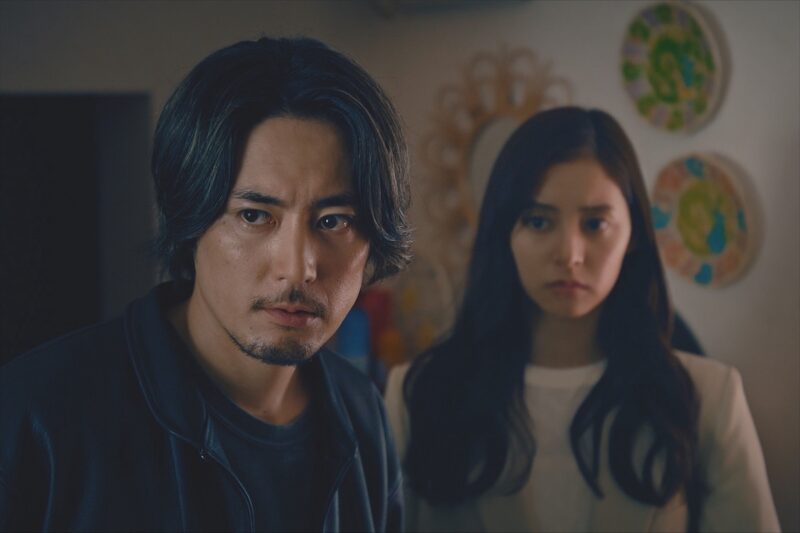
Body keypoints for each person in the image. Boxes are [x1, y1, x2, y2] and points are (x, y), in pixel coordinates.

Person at [0, 36, 411, 531]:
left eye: (333, 221)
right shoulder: (38, 417)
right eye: (254, 215)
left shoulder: (361, 414)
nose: (298, 267)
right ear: (191, 219)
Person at [384, 107, 780, 532]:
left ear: (633, 235)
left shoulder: (708, 400)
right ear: (505, 232)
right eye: (539, 221)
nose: (569, 254)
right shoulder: (418, 396)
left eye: (595, 224)